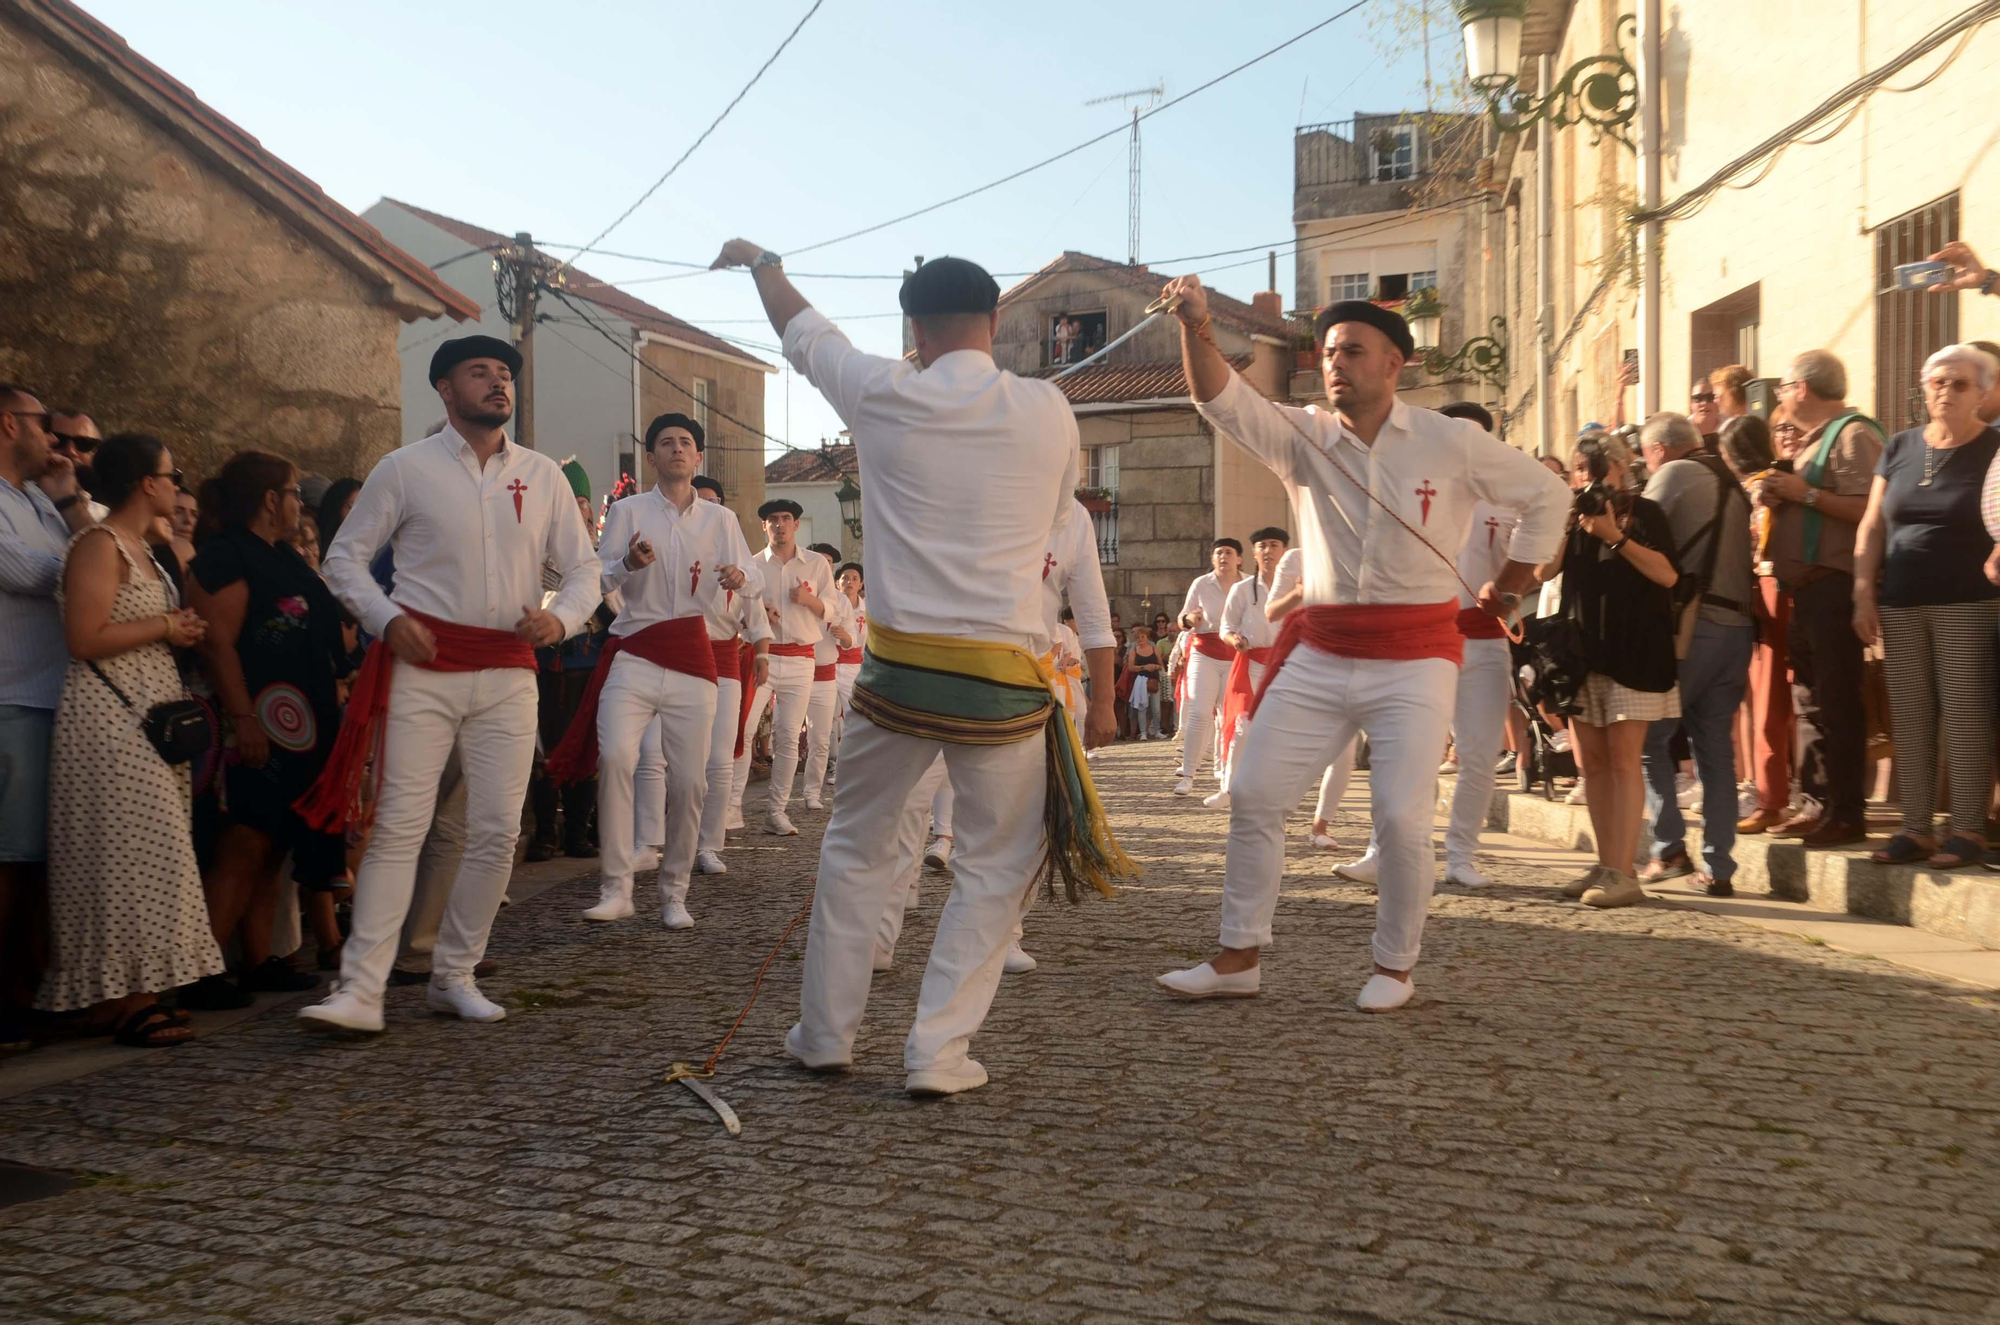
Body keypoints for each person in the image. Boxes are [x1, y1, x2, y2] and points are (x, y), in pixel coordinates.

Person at [714, 239, 1120, 1096]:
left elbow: (803, 331)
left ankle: (825, 1035)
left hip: (894, 679)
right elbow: (1054, 520)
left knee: (856, 851)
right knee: (994, 867)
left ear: (913, 327)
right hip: (1005, 683)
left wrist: (763, 265)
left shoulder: (881, 390)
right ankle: (937, 1052)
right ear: (998, 323)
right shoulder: (1050, 408)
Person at [1154, 283, 1567, 1010]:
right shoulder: (1303, 434)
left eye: (1353, 350)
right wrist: (1197, 328)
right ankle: (1237, 955)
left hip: (1416, 655)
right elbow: (1223, 401)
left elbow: (1549, 497)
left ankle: (1395, 967)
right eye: (1329, 352)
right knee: (1252, 792)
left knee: (1402, 815)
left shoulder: (1452, 440)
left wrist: (1509, 585)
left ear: (1394, 364)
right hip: (1321, 649)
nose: (1336, 363)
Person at [297, 335, 599, 1034]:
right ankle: (360, 990)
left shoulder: (544, 475)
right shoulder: (404, 469)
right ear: (444, 389)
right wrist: (386, 618)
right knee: (401, 824)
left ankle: (454, 972)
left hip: (508, 669)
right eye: (480, 372)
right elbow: (343, 560)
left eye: (505, 374)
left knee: (496, 830)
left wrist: (564, 621)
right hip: (423, 664)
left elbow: (583, 569)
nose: (498, 383)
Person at [544, 412, 761, 929]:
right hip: (634, 651)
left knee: (690, 782)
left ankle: (675, 892)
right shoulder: (626, 511)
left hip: (692, 653)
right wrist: (627, 567)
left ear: (699, 457)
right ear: (651, 457)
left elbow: (752, 580)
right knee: (618, 757)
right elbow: (597, 579)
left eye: (686, 443)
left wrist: (739, 574)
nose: (677, 450)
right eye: (666, 443)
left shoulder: (721, 520)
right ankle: (617, 887)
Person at [38, 432, 219, 1046]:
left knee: (151, 855)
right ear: (146, 482)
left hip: (148, 716)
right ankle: (131, 996)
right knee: (126, 856)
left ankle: (129, 992)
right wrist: (166, 624)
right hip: (110, 720)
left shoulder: (143, 546)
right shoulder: (99, 543)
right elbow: (83, 638)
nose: (176, 485)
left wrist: (173, 627)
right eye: (171, 475)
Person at [181, 449, 347, 1008]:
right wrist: (245, 719)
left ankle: (260, 959)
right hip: (256, 723)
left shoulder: (279, 554)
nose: (301, 503)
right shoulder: (225, 557)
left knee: (274, 843)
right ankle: (200, 968)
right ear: (270, 499)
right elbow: (216, 641)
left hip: (300, 725)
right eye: (295, 491)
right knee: (244, 843)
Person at [1852, 345, 2000, 870]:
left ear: (1982, 393)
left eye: (1959, 383)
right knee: (1911, 717)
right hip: (1902, 600)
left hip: (1969, 601)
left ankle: (1966, 829)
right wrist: (1863, 589)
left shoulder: (1995, 449)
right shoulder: (1899, 446)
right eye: (1937, 381)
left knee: (1964, 716)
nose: (1945, 391)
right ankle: (1915, 829)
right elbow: (1873, 522)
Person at [0, 385, 98, 1049]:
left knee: (38, 860)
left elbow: (95, 543)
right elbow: (32, 572)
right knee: (10, 860)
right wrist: (94, 566)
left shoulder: (37, 497)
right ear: (9, 423)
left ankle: (28, 988)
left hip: (55, 699)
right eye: (45, 427)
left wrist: (68, 499)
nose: (60, 445)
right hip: (12, 699)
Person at [1548, 433, 1681, 909]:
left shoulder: (1644, 514)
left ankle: (1624, 871)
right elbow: (1543, 572)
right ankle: (1607, 863)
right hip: (1583, 655)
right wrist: (1565, 523)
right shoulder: (1571, 521)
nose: (1587, 478)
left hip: (1634, 655)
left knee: (1624, 761)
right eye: (1580, 469)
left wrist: (1615, 537)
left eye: (1596, 468)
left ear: (1622, 467)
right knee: (1592, 765)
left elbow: (1667, 575)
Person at [1756, 350, 1882, 846]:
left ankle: (1848, 811)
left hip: (1834, 583)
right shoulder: (1813, 442)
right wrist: (1776, 496)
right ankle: (1817, 803)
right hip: (1805, 588)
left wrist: (1801, 493)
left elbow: (1870, 508)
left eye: (1783, 387)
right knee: (1810, 701)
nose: (1780, 397)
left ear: (1802, 389)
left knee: (1836, 701)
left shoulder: (1852, 434)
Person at [1634, 412, 1756, 896]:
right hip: (1737, 628)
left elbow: (1637, 531)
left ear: (1659, 450)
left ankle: (1668, 851)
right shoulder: (1730, 482)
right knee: (1715, 752)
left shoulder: (1674, 475)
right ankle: (1718, 868)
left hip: (1692, 629)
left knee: (1650, 742)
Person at [738, 500, 835, 837]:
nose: (779, 525)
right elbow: (737, 615)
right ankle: (731, 808)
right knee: (745, 730)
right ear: (764, 526)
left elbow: (833, 610)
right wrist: (759, 613)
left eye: (785, 519)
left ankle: (776, 812)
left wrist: (808, 600)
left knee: (788, 737)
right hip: (761, 657)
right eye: (772, 520)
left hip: (801, 657)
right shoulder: (751, 566)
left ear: (796, 525)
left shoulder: (816, 565)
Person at [1718, 414, 1795, 836]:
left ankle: (1771, 797)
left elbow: (1754, 546)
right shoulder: (1775, 480)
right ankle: (1774, 790)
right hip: (1778, 588)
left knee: (1768, 699)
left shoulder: (1756, 489)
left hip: (1767, 589)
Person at [1207, 526, 1289, 810]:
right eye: (1262, 546)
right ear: (1253, 553)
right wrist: (1235, 640)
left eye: (1274, 545)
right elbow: (1225, 628)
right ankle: (1228, 789)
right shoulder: (1243, 589)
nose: (1268, 551)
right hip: (1251, 664)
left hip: (1285, 667)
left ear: (1284, 552)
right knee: (1243, 725)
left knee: (1279, 729)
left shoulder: (1298, 588)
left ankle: (1273, 790)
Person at [1172, 538, 1246, 796]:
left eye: (1229, 552)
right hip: (1205, 651)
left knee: (1229, 716)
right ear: (1212, 559)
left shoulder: (1249, 585)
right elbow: (1181, 620)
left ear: (1239, 558)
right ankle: (1188, 775)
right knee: (1200, 713)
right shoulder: (1201, 584)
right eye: (1218, 553)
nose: (1223, 556)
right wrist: (1190, 619)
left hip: (1236, 654)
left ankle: (1225, 772)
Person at [802, 541, 853, 808]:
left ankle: (812, 793)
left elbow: (851, 640)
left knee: (820, 738)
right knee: (782, 736)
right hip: (795, 669)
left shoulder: (842, 600)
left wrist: (845, 637)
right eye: (819, 560)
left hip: (824, 675)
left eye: (829, 562)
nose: (823, 565)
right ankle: (780, 799)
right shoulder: (799, 592)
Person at [830, 560, 867, 781]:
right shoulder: (830, 605)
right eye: (845, 578)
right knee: (830, 717)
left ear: (861, 583)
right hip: (830, 663)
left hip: (855, 666)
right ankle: (834, 763)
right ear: (837, 582)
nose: (849, 582)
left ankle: (851, 763)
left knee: (853, 714)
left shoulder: (868, 610)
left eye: (854, 578)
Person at [1126, 624, 1163, 738]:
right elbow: (1130, 667)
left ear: (1147, 637)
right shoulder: (1133, 652)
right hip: (1141, 681)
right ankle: (1143, 732)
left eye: (1142, 637)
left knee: (1156, 708)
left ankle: (1156, 730)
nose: (1140, 639)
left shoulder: (1154, 649)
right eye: (1138, 637)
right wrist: (1144, 667)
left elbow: (1161, 665)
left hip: (1154, 680)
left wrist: (1155, 667)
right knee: (1142, 707)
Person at [1688, 379, 1724, 451]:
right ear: (1691, 404)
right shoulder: (1681, 430)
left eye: (1711, 397)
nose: (1704, 403)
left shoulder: (1729, 429)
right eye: (1698, 398)